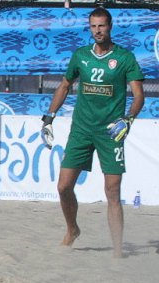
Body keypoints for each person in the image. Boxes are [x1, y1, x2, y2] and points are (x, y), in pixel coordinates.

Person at [40, 6, 144, 258]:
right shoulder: (80, 56)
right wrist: (48, 118)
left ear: (110, 27)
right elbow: (64, 86)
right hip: (82, 130)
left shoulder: (124, 57)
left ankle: (118, 253)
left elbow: (139, 95)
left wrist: (128, 119)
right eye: (93, 26)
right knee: (64, 186)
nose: (98, 30)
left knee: (112, 191)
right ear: (90, 28)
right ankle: (73, 229)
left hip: (111, 132)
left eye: (102, 26)